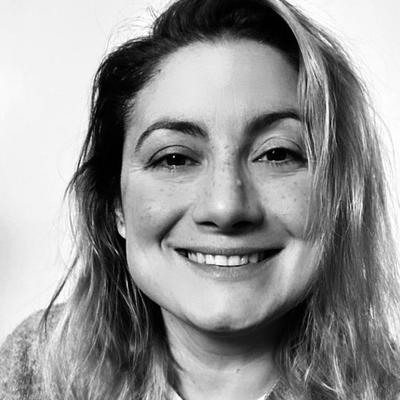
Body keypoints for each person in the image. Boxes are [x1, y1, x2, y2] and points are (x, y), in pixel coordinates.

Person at [1, 0, 399, 399]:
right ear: (115, 203)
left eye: (277, 154)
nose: (226, 208)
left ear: (339, 194)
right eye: (174, 159)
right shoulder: (31, 370)